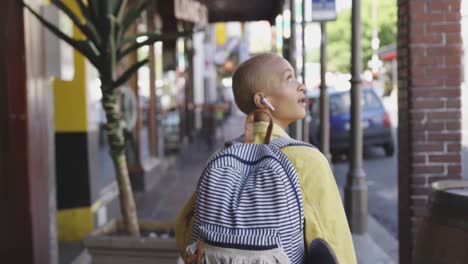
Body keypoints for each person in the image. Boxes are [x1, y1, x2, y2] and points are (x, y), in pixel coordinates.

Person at [175, 53, 357, 264]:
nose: (301, 86)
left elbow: (185, 231)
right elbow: (333, 242)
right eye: (289, 78)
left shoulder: (219, 158)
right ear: (262, 100)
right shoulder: (306, 161)